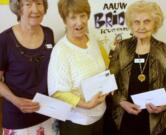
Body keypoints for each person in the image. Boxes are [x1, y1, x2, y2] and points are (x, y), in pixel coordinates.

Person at [109, 1, 166, 135]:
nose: (141, 26)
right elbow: (109, 82)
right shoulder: (121, 48)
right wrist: (122, 102)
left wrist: (165, 104)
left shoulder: (164, 49)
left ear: (155, 23)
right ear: (131, 25)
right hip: (125, 116)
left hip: (155, 117)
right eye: (137, 22)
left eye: (147, 21)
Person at [48, 0, 107, 135]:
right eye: (73, 17)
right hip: (78, 123)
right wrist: (87, 105)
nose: (79, 22)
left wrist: (108, 86)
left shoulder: (92, 40)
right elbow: (58, 92)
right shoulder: (61, 51)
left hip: (100, 116)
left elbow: (104, 68)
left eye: (82, 16)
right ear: (65, 20)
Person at [0, 0, 58, 134]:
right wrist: (16, 101)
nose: (35, 10)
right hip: (18, 120)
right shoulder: (4, 40)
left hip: (48, 114)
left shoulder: (49, 33)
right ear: (18, 8)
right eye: (28, 4)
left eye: (39, 3)